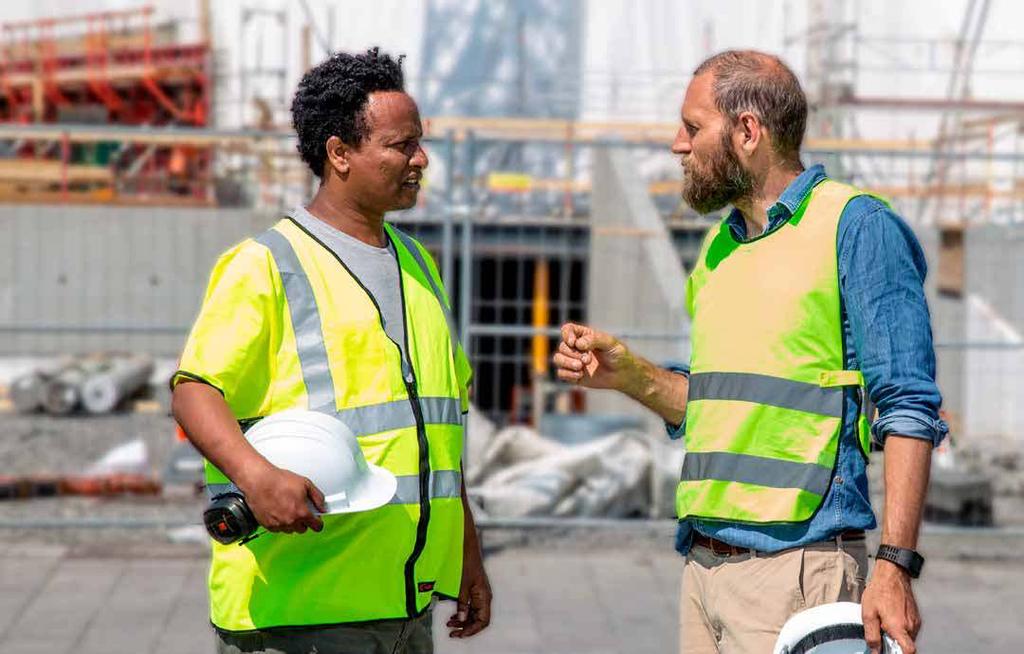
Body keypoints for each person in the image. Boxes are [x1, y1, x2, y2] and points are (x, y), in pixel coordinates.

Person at [553, 50, 945, 654]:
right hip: (703, 570)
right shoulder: (718, 249)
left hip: (799, 572)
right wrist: (631, 376)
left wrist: (894, 567)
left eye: (691, 127)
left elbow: (909, 406)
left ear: (746, 132)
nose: (676, 145)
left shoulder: (856, 227)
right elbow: (715, 403)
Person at [171, 48, 491, 654]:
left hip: (404, 605)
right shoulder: (265, 263)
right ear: (339, 154)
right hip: (301, 612)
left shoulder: (419, 266)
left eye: (419, 143)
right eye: (401, 145)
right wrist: (255, 477)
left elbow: (437, 436)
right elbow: (193, 391)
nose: (421, 159)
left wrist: (467, 555)